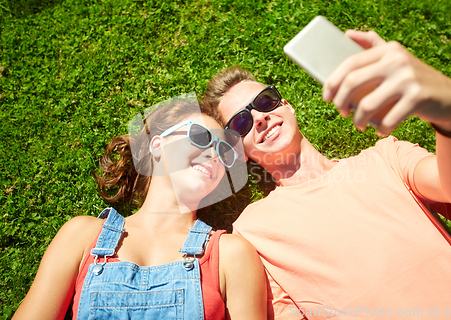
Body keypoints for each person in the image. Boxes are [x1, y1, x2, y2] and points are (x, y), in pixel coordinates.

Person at [202, 30, 451, 319]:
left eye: (265, 101)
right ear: (237, 151)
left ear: (287, 106)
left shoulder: (388, 157)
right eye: (241, 123)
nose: (260, 118)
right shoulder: (252, 232)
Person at [12, 99, 267, 320]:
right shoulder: (81, 236)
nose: (214, 153)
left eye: (224, 151)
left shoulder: (231, 255)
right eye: (200, 136)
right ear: (158, 145)